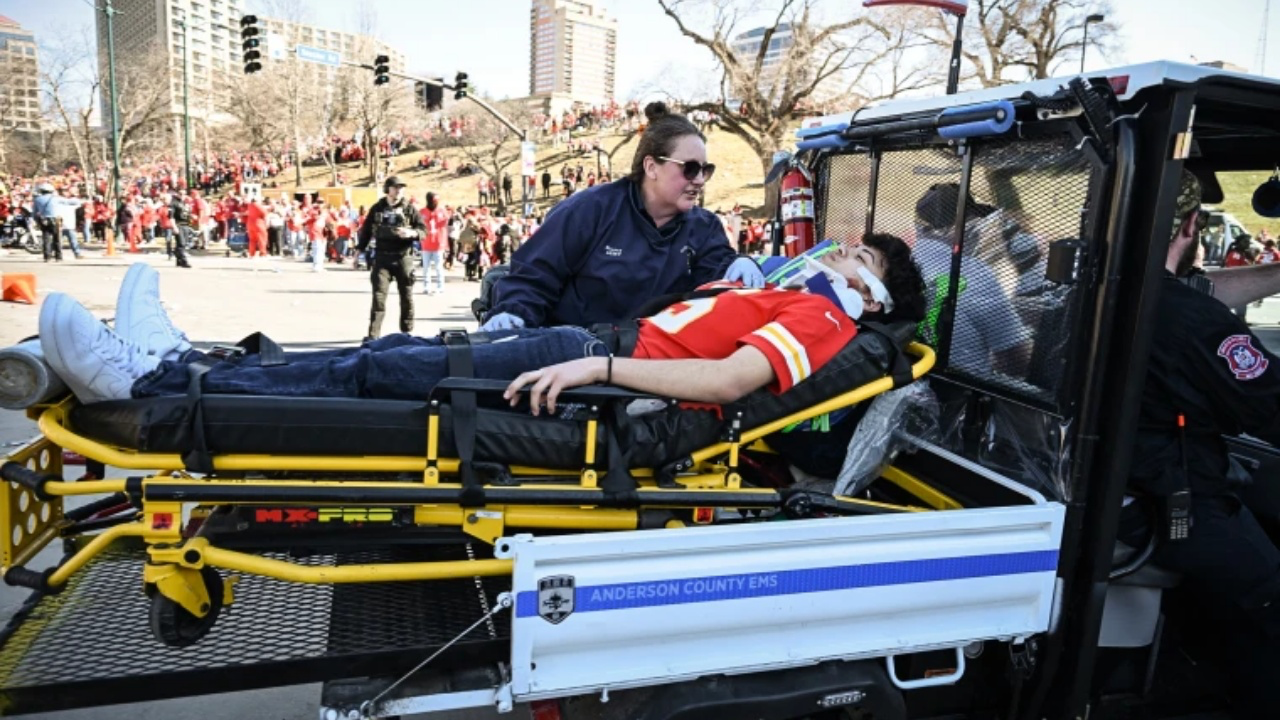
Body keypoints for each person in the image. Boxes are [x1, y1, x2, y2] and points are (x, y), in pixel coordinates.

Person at [38, 235, 923, 412]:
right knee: (384, 355)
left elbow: (730, 382)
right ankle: (178, 362)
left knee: (374, 373)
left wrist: (599, 372)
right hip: (589, 351)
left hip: (595, 365)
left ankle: (148, 381)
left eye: (862, 260)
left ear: (872, 298)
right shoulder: (792, 293)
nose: (841, 253)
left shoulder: (823, 318)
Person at [1123, 170, 1280, 720]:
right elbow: (1270, 406)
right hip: (1174, 506)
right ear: (1191, 224)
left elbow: (1193, 293)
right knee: (1270, 595)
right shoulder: (1191, 321)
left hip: (1123, 492)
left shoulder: (1097, 286)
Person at [481, 102, 760, 332]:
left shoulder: (705, 227)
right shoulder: (589, 210)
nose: (699, 180)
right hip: (574, 352)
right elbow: (535, 273)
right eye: (689, 169)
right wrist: (513, 313)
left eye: (705, 169)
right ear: (651, 167)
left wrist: (737, 264)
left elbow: (713, 280)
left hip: (654, 366)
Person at [911, 183, 1031, 374]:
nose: (980, 230)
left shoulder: (903, 262)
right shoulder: (976, 274)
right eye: (974, 221)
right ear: (960, 227)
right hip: (965, 395)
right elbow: (1016, 358)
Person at [357, 176, 426, 340]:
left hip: (403, 258)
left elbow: (423, 230)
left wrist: (413, 233)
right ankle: (373, 336)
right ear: (387, 189)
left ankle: (406, 333)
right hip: (382, 258)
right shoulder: (377, 208)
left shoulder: (410, 209)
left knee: (406, 297)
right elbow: (366, 230)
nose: (399, 191)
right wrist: (358, 251)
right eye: (395, 187)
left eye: (401, 188)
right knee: (378, 298)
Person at [419, 192, 449, 295]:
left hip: (438, 243)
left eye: (437, 201)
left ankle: (440, 286)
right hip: (426, 243)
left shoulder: (442, 212)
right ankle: (426, 286)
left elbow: (446, 223)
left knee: (438, 267)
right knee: (426, 267)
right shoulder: (422, 212)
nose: (436, 203)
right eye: (434, 201)